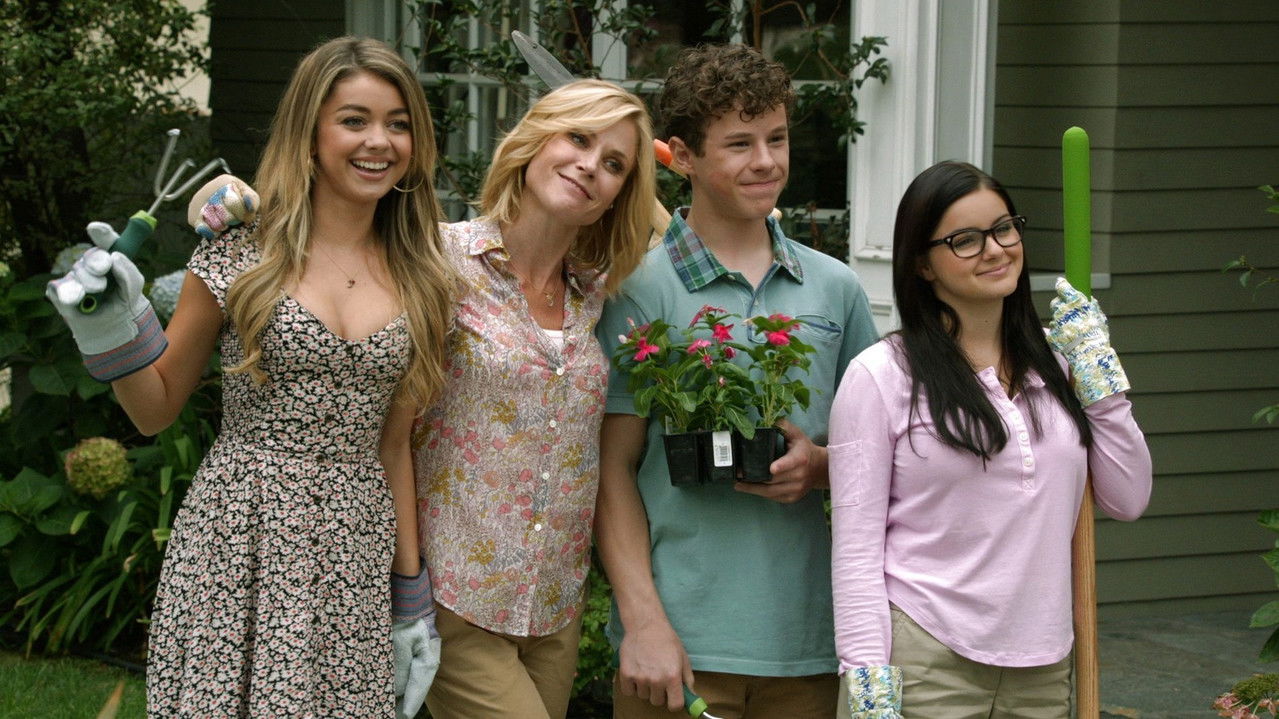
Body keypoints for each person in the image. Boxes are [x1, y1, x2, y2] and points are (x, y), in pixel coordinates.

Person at [47, 36, 452, 717]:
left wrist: (410, 597)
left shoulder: (424, 274)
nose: (378, 141)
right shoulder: (241, 250)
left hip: (353, 550)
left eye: (398, 123)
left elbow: (394, 446)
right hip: (240, 535)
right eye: (354, 120)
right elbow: (155, 409)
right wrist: (110, 328)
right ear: (311, 133)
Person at [593, 44, 879, 718]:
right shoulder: (636, 291)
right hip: (677, 648)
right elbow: (610, 470)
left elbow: (883, 455)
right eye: (740, 144)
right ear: (681, 157)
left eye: (777, 138)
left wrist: (821, 467)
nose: (766, 160)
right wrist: (644, 624)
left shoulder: (834, 288)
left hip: (809, 644)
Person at [827, 161, 1152, 718]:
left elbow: (1129, 497)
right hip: (926, 657)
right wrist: (869, 692)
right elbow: (856, 551)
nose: (996, 249)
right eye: (965, 240)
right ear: (922, 264)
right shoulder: (880, 377)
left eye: (1004, 228)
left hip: (1044, 668)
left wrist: (1100, 376)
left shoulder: (1064, 362)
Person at [413, 78, 655, 719]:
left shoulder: (594, 295)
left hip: (553, 609)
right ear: (533, 142)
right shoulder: (438, 257)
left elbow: (679, 244)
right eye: (577, 138)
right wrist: (230, 203)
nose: (590, 166)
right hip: (454, 593)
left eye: (614, 165)